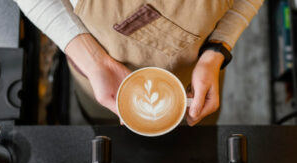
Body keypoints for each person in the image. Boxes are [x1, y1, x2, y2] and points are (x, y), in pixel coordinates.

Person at [14, 0, 264, 126]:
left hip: (197, 75)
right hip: (100, 78)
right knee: (108, 128)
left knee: (195, 133)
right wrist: (94, 60)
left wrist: (217, 49)